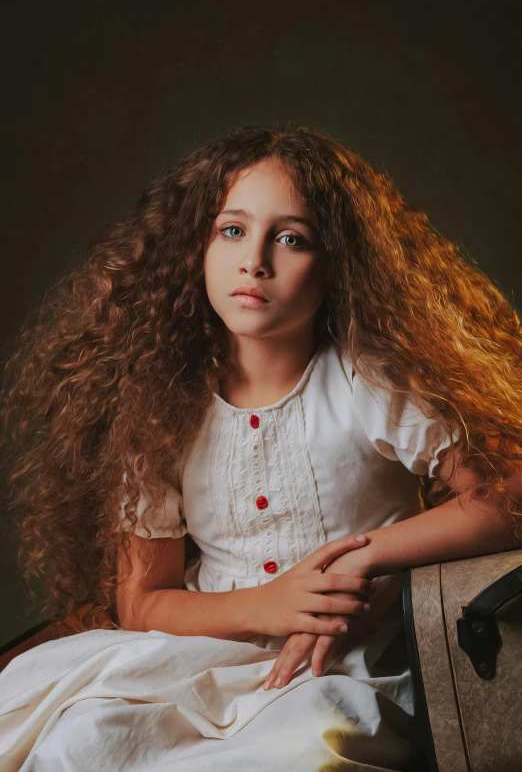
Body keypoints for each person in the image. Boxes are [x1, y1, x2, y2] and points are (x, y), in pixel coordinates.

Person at [1, 122, 521, 771]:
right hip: (196, 658)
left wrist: (357, 560)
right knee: (81, 742)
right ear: (196, 246)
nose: (256, 260)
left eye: (291, 237)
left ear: (337, 264)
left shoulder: (370, 378)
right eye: (232, 230)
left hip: (341, 670)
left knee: (292, 754)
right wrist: (266, 604)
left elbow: (507, 496)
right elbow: (143, 602)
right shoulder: (158, 405)